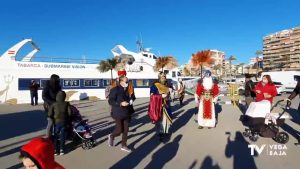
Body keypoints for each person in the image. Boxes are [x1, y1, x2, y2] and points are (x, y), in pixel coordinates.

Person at [108, 76, 133, 152]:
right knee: (119, 130)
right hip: (117, 113)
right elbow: (110, 101)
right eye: (126, 82)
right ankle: (112, 136)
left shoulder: (128, 89)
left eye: (128, 81)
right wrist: (120, 103)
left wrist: (131, 100)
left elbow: (132, 97)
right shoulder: (114, 90)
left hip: (127, 112)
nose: (128, 83)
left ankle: (124, 145)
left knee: (126, 130)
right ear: (121, 81)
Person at [148, 72, 173, 141]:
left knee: (166, 120)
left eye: (164, 76)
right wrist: (160, 96)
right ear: (159, 77)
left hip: (166, 105)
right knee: (159, 121)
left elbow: (171, 95)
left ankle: (166, 132)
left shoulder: (168, 85)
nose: (163, 77)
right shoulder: (155, 86)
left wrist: (171, 91)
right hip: (158, 105)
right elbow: (152, 96)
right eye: (162, 76)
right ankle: (160, 134)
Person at [48, 91, 71, 155]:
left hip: (56, 122)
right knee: (63, 135)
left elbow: (49, 114)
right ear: (64, 97)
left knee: (55, 135)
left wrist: (52, 118)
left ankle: (55, 150)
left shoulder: (54, 104)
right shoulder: (66, 104)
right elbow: (70, 113)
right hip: (64, 121)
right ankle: (62, 149)